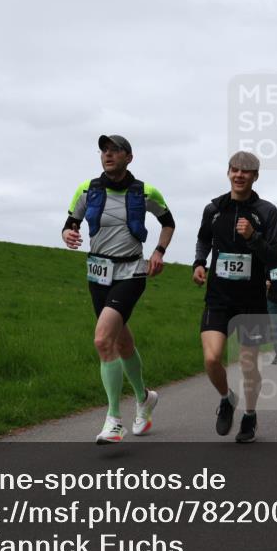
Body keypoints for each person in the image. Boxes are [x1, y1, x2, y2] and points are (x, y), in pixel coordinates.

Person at [62, 134, 175, 444]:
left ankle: (114, 419)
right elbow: (71, 223)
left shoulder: (145, 192)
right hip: (97, 273)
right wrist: (68, 234)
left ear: (129, 157)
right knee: (121, 343)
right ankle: (145, 398)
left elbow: (168, 222)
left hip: (131, 271)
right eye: (104, 150)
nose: (107, 155)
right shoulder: (87, 190)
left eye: (115, 150)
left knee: (102, 339)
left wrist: (159, 252)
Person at [193, 151, 277, 443]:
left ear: (256, 176)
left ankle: (250, 415)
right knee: (211, 359)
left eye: (246, 171)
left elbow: (274, 257)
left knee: (247, 364)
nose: (239, 175)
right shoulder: (214, 208)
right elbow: (204, 238)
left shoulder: (267, 212)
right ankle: (227, 398)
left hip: (251, 299)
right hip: (218, 295)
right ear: (228, 172)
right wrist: (199, 263)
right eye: (235, 170)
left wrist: (253, 236)